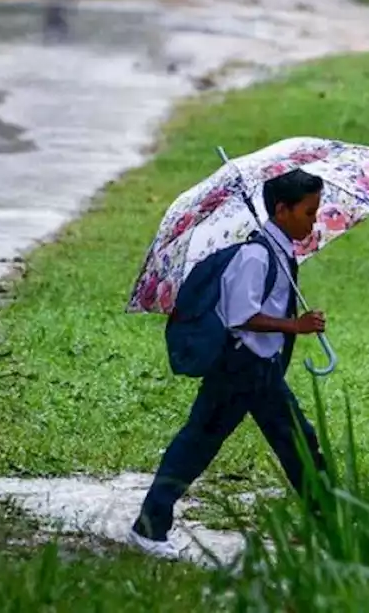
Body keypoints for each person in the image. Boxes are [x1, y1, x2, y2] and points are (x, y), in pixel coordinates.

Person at [129, 169, 327, 558]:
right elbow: (241, 315)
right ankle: (148, 528)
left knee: (298, 441)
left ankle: (327, 519)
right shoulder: (255, 255)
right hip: (239, 368)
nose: (314, 220)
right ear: (282, 210)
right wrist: (295, 326)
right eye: (308, 212)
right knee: (197, 444)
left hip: (262, 370)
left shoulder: (281, 251)